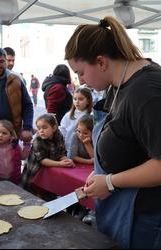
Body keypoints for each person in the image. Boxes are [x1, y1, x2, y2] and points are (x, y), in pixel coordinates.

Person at [65, 16, 161, 249]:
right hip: (123, 210)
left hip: (145, 220)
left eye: (81, 72)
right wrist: (100, 170)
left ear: (101, 61)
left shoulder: (147, 92)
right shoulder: (116, 85)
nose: (81, 82)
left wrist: (109, 181)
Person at [21, 114, 74, 191]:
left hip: (49, 175)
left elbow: (61, 153)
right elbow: (42, 160)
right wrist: (61, 164)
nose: (41, 131)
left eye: (44, 127)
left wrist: (66, 160)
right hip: (34, 175)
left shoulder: (59, 136)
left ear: (54, 128)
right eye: (39, 128)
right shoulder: (37, 141)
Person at [0, 120, 30, 185]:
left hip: (13, 178)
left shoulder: (14, 145)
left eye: (4, 133)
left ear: (10, 135)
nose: (0, 135)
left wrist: (27, 144)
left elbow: (23, 156)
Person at [59, 87, 93, 154]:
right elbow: (62, 131)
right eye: (75, 99)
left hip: (85, 150)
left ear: (88, 101)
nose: (77, 102)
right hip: (69, 148)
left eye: (81, 99)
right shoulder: (68, 115)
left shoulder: (92, 115)